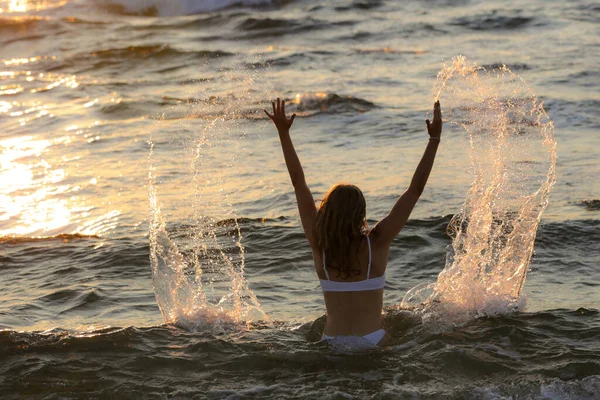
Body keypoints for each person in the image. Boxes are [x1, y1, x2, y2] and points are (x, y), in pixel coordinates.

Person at [264, 98, 442, 346]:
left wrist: (283, 133)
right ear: (361, 214)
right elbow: (415, 190)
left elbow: (298, 183)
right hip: (373, 340)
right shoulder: (377, 242)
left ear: (326, 211)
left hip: (331, 341)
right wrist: (434, 140)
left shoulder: (320, 244)